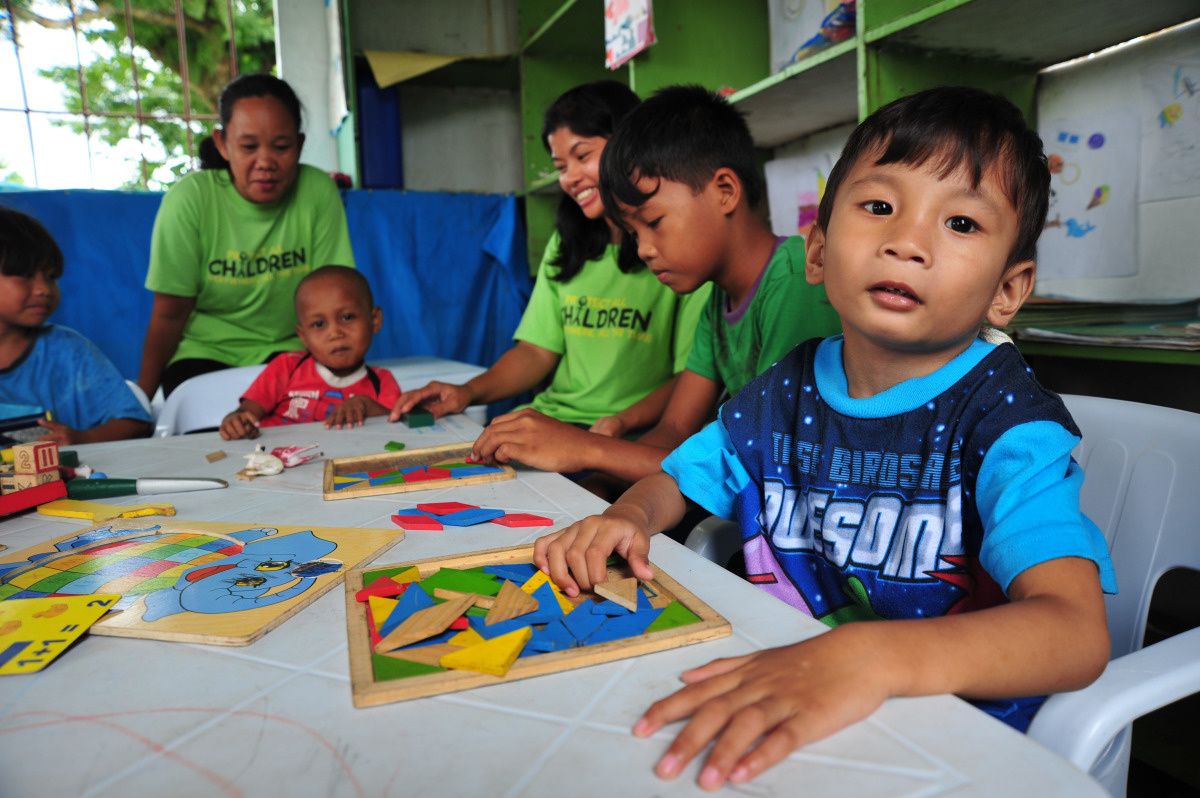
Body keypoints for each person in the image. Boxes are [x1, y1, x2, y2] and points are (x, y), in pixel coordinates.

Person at [532, 87, 1117, 790]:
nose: (908, 241)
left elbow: (1074, 634)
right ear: (816, 250)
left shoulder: (1006, 422)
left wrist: (869, 657)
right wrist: (627, 515)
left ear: (1008, 290)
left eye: (961, 222)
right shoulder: (786, 388)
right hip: (787, 699)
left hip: (952, 737)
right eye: (878, 207)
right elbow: (682, 478)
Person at [469, 85, 840, 496]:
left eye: (655, 222)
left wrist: (587, 449)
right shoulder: (719, 299)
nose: (643, 248)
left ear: (725, 191)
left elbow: (759, 465)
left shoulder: (794, 284)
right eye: (632, 231)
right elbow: (673, 430)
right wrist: (593, 489)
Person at [389, 81, 708, 443]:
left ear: (628, 145)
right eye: (561, 165)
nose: (570, 177)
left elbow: (692, 377)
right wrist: (467, 392)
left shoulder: (678, 251)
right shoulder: (566, 243)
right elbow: (536, 352)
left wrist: (619, 422)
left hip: (629, 434)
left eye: (583, 156)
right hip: (554, 422)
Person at [138, 73, 356, 399]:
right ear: (223, 144)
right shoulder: (190, 200)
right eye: (249, 146)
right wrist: (141, 401)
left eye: (281, 147)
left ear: (299, 145)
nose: (265, 162)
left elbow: (336, 296)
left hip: (293, 354)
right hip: (204, 356)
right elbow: (170, 312)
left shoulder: (317, 191)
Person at [0, 207, 151, 444]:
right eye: (25, 274)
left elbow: (134, 424)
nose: (43, 289)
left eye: (50, 276)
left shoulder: (68, 351)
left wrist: (83, 438)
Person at [219, 266, 400, 440]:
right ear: (303, 336)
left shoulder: (382, 381)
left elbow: (397, 428)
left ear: (375, 320)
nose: (335, 333)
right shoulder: (287, 366)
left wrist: (367, 407)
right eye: (319, 324)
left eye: (347, 317)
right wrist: (237, 421)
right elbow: (248, 413)